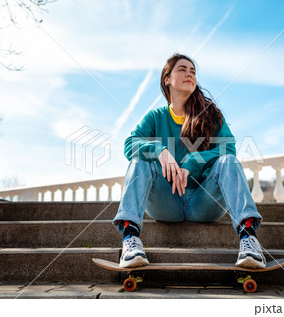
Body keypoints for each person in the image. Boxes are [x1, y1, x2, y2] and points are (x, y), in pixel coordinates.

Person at [113, 53, 265, 269]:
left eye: (193, 71)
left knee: (228, 161)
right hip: (166, 204)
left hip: (204, 202)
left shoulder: (211, 114)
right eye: (182, 69)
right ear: (167, 79)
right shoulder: (155, 117)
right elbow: (130, 145)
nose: (189, 74)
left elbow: (228, 148)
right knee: (140, 161)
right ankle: (130, 240)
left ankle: (249, 240)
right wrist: (159, 150)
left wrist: (193, 161)